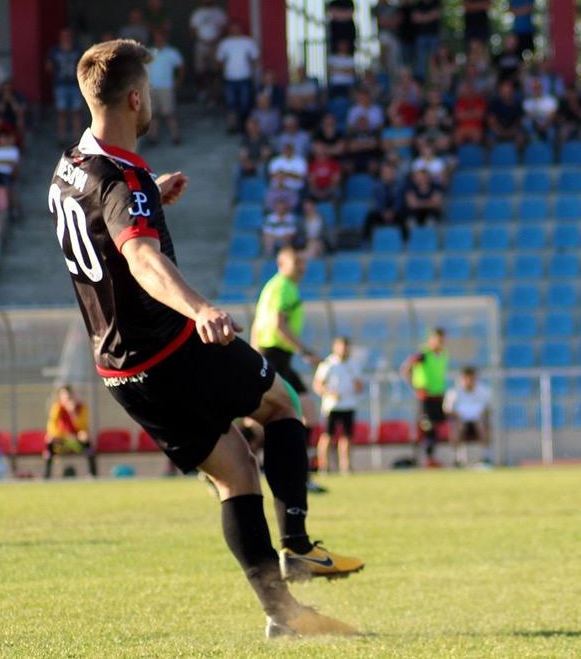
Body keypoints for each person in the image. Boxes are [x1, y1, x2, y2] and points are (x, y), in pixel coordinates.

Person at [48, 39, 360, 636]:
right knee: (283, 404)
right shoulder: (124, 184)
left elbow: (103, 218)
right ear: (135, 98)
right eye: (148, 91)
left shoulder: (70, 165)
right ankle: (298, 546)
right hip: (170, 347)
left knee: (235, 474)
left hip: (120, 370)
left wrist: (150, 195)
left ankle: (284, 615)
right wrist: (200, 308)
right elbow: (141, 259)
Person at [252, 247, 322, 432]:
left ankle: (294, 452)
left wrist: (255, 353)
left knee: (307, 411)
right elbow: (279, 325)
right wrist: (305, 351)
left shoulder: (277, 286)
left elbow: (258, 324)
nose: (301, 267)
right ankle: (249, 443)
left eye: (303, 263)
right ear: (281, 264)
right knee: (269, 415)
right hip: (274, 356)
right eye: (296, 263)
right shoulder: (283, 287)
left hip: (279, 358)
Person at [313, 337, 363, 474]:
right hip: (332, 406)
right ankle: (324, 466)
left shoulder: (353, 365)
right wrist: (329, 393)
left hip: (349, 405)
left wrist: (357, 386)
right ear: (335, 347)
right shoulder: (328, 364)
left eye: (346, 347)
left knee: (347, 436)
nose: (344, 349)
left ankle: (345, 466)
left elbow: (359, 386)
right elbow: (317, 385)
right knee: (328, 435)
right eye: (341, 346)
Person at [401, 328, 449, 468]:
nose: (440, 342)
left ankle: (430, 458)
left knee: (436, 428)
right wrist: (416, 386)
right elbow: (405, 369)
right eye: (437, 339)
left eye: (441, 339)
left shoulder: (443, 354)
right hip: (424, 397)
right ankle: (424, 459)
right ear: (430, 340)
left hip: (437, 396)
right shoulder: (423, 354)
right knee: (427, 426)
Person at [43, 385, 97, 479]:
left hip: (76, 441)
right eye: (64, 397)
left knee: (86, 440)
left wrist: (73, 413)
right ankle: (47, 476)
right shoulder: (57, 408)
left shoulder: (81, 407)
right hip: (62, 442)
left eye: (69, 397)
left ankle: (93, 474)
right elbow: (52, 426)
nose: (67, 399)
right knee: (49, 440)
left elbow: (83, 427)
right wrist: (63, 436)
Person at [443, 367, 492, 468]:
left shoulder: (484, 391)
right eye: (467, 378)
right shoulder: (454, 392)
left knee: (483, 425)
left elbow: (489, 409)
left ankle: (485, 458)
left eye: (472, 378)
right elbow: (447, 410)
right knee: (457, 427)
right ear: (462, 379)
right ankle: (457, 459)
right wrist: (458, 415)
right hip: (460, 421)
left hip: (478, 421)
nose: (470, 381)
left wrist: (482, 415)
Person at [216, 21, 259, 131]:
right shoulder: (225, 43)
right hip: (229, 78)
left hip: (245, 77)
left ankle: (245, 126)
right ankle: (232, 126)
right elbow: (219, 61)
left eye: (236, 27)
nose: (234, 30)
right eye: (232, 28)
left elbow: (255, 59)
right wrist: (223, 72)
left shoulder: (248, 42)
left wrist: (252, 73)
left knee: (245, 104)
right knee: (230, 104)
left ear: (240, 29)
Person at [146, 29, 184, 145]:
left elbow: (181, 67)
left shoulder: (172, 52)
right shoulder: (148, 52)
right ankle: (153, 138)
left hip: (166, 87)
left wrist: (178, 81)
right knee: (153, 114)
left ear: (165, 38)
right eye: (156, 38)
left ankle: (175, 136)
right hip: (151, 88)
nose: (158, 40)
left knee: (169, 113)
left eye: (160, 38)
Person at [46, 28, 84, 145]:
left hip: (75, 84)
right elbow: (48, 66)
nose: (66, 38)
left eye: (68, 35)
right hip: (60, 84)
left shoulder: (78, 50)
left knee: (76, 112)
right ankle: (61, 138)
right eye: (64, 36)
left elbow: (85, 64)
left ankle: (77, 138)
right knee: (61, 112)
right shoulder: (54, 51)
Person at [189, 0, 227, 103]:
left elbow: (224, 28)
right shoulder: (197, 13)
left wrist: (217, 40)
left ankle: (213, 95)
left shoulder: (219, 12)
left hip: (215, 45)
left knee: (215, 71)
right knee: (199, 71)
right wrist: (199, 39)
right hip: (201, 44)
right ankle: (202, 91)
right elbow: (192, 30)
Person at [364, 162, 406, 241]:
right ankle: (367, 241)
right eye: (385, 173)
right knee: (370, 217)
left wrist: (393, 212)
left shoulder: (400, 185)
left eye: (390, 172)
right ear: (382, 174)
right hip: (381, 213)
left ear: (393, 174)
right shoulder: (376, 186)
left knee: (404, 217)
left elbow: (399, 201)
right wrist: (383, 212)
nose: (387, 175)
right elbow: (376, 201)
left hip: (395, 213)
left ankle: (405, 242)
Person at [411, 0, 442, 79]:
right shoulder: (417, 4)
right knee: (420, 58)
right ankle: (420, 80)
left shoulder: (436, 2)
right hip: (421, 35)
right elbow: (415, 18)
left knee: (435, 58)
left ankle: (435, 79)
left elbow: (437, 15)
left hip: (434, 35)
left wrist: (422, 17)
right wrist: (430, 16)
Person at [374, 0, 403, 77]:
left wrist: (389, 21)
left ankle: (393, 74)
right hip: (384, 35)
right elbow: (381, 21)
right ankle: (384, 71)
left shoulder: (393, 7)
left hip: (394, 36)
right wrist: (390, 21)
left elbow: (397, 21)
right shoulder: (377, 8)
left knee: (394, 59)